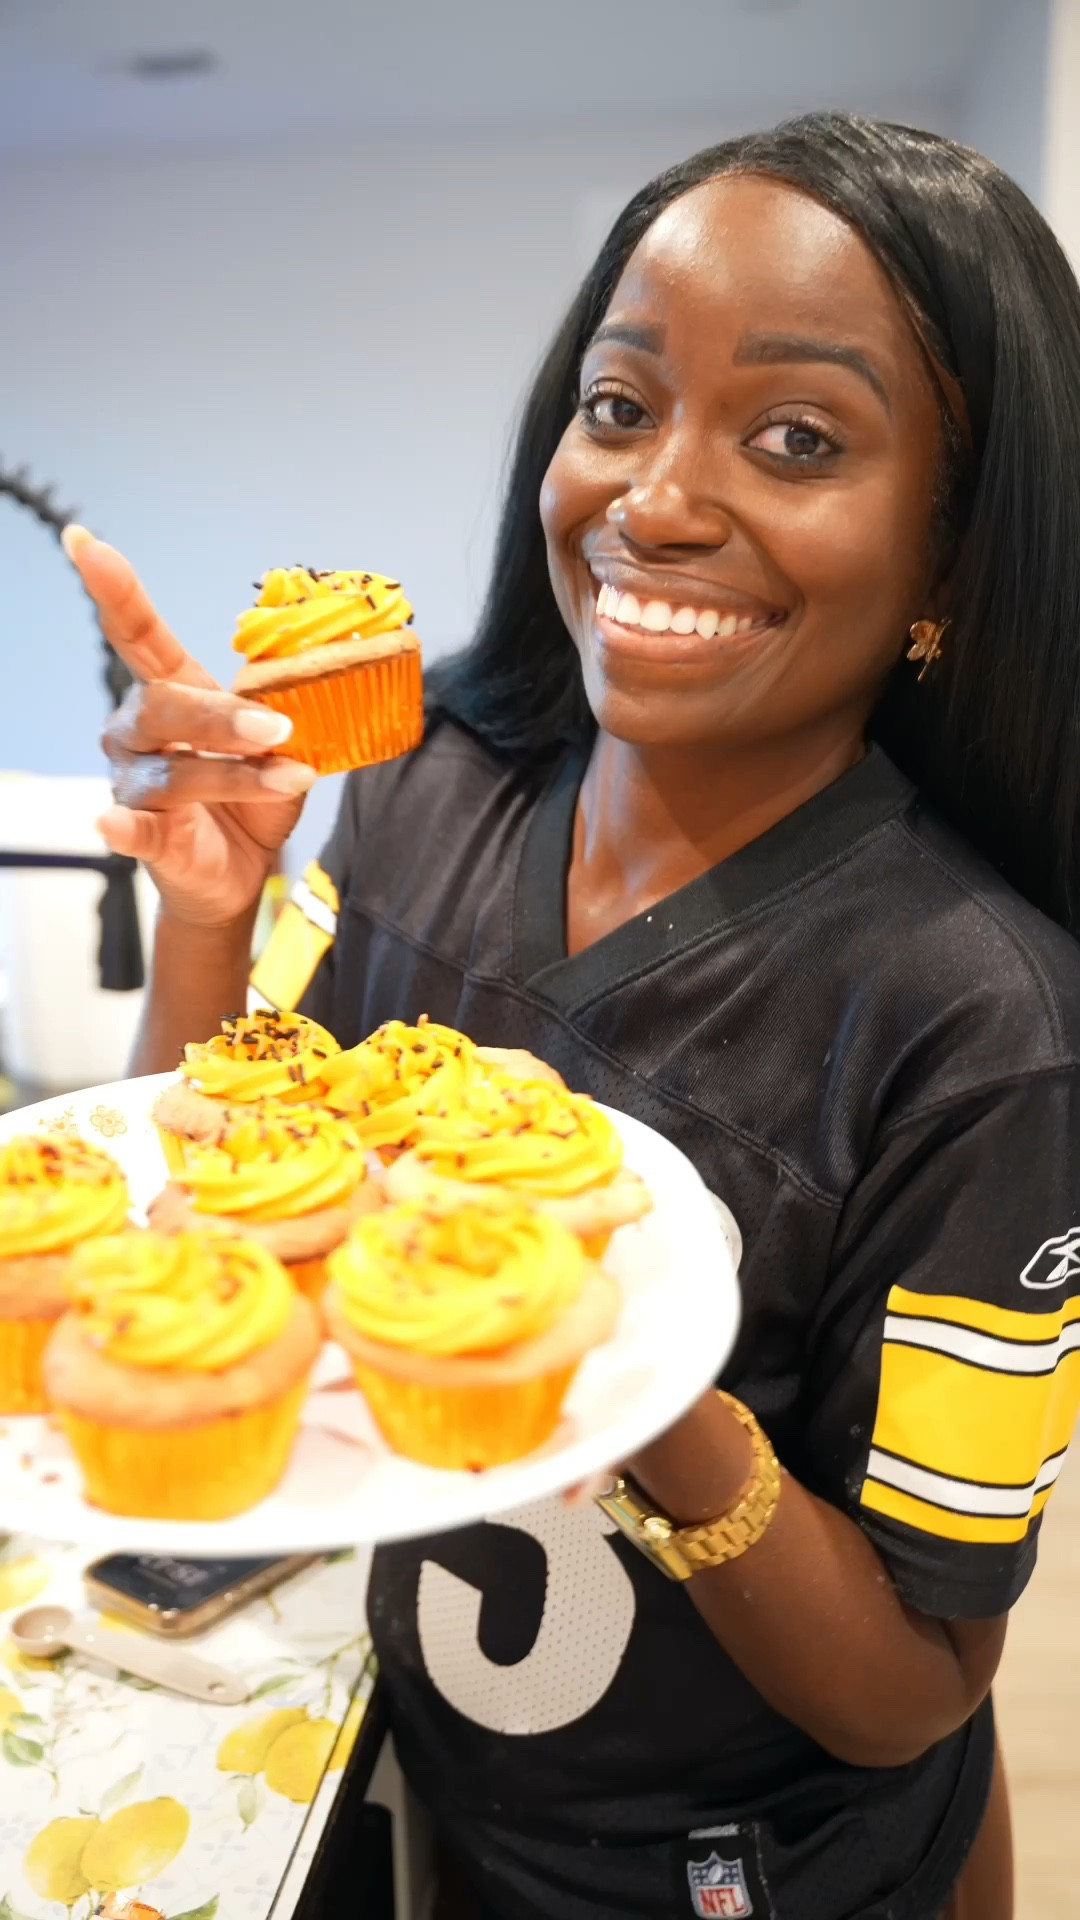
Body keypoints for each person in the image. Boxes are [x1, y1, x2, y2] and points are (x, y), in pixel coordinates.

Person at [64, 111, 1080, 1919]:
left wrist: (623, 1358)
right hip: (428, 1766)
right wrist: (204, 918)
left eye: (796, 437)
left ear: (948, 554)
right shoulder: (423, 790)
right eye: (619, 407)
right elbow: (216, 1199)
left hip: (750, 1878)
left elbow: (910, 1687)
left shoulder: (983, 1029)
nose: (657, 498)